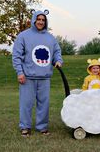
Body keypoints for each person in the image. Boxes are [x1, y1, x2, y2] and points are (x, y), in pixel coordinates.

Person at [12, 9, 63, 137]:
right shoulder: (23, 36)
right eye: (38, 19)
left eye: (43, 20)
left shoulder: (50, 38)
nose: (40, 22)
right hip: (27, 77)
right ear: (34, 20)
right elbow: (16, 56)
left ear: (45, 22)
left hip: (45, 77)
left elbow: (56, 51)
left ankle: (42, 127)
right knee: (26, 104)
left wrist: (58, 60)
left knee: (44, 104)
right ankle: (25, 127)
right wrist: (20, 72)